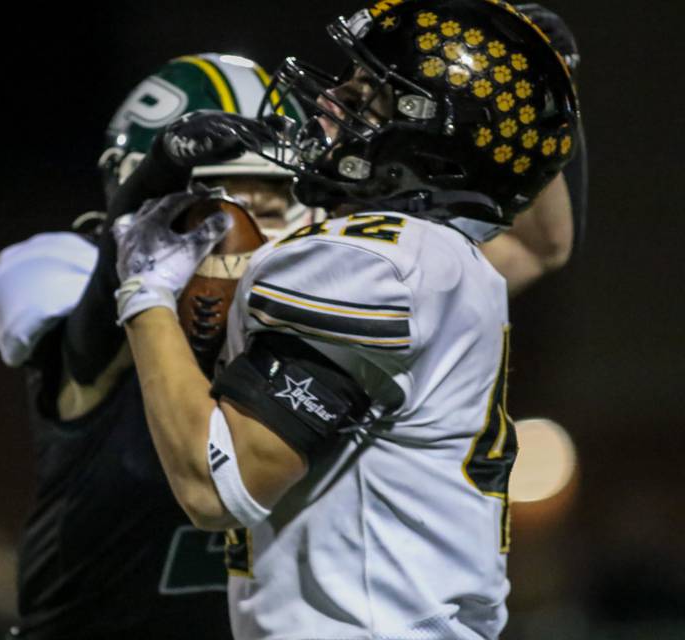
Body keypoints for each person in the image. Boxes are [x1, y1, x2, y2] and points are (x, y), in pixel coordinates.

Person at [107, 1, 580, 639]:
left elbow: (217, 488)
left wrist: (144, 290)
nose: (333, 100)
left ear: (426, 131)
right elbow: (541, 244)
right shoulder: (440, 259)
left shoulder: (370, 261)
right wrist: (528, 94)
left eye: (369, 93)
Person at [0, 52, 316, 640]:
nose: (262, 230)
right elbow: (82, 355)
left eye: (277, 197)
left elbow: (525, 246)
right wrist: (152, 189)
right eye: (230, 198)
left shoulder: (341, 310)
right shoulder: (57, 269)